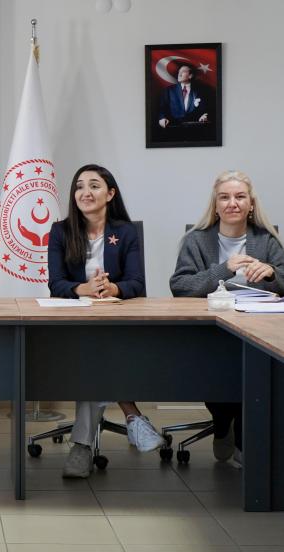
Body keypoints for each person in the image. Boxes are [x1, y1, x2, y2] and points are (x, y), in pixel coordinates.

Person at [48, 164, 164, 479]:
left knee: (95, 351)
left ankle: (82, 446)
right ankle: (132, 415)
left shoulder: (125, 233)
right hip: (75, 322)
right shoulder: (60, 231)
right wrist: (83, 289)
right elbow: (56, 284)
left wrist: (112, 289)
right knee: (93, 348)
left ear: (110, 194)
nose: (85, 192)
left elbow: (136, 284)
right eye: (79, 186)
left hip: (117, 321)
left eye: (94, 185)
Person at [170, 170, 284, 465]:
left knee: (256, 369)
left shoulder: (267, 240)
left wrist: (272, 274)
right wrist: (225, 268)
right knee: (220, 369)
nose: (232, 203)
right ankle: (222, 424)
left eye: (240, 196)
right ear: (216, 205)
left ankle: (243, 437)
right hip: (211, 331)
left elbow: (283, 280)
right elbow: (180, 286)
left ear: (251, 204)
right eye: (224, 197)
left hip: (257, 328)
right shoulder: (196, 240)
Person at [158, 63, 211, 128]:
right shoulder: (169, 90)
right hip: (173, 127)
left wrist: (204, 116)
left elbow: (204, 110)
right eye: (179, 72)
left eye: (183, 71)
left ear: (190, 76)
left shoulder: (200, 91)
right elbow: (162, 108)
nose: (179, 74)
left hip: (194, 127)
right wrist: (162, 118)